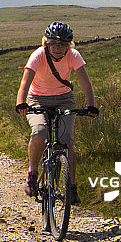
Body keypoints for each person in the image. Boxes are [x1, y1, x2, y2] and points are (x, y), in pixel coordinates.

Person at [15, 21, 98, 205]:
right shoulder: (38, 55)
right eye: (53, 44)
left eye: (62, 45)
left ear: (69, 46)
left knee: (67, 141)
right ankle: (33, 173)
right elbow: (25, 81)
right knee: (39, 131)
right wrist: (21, 102)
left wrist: (91, 105)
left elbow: (85, 82)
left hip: (64, 99)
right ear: (46, 43)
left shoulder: (74, 56)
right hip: (37, 98)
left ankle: (71, 186)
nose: (58, 48)